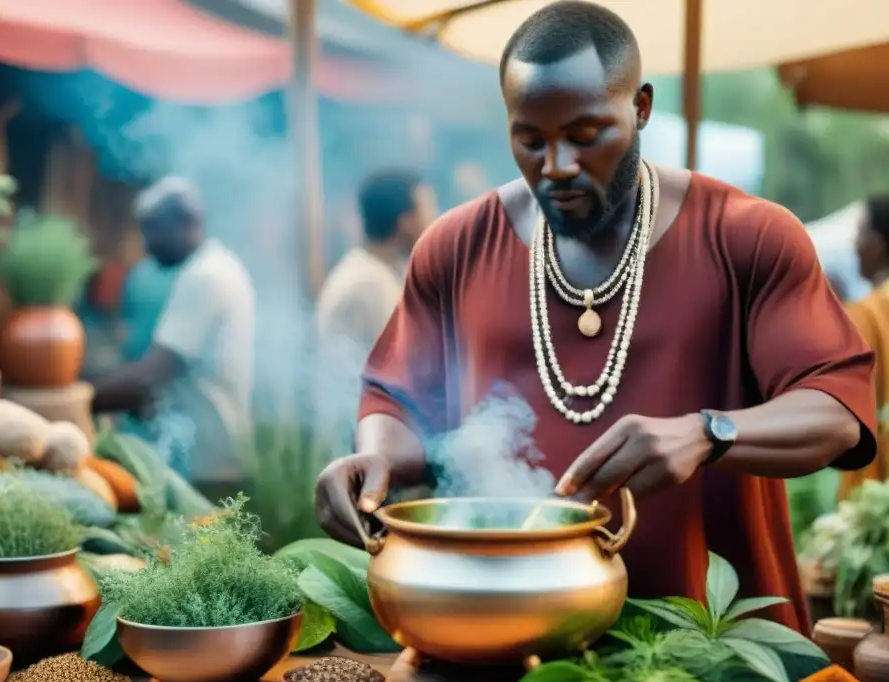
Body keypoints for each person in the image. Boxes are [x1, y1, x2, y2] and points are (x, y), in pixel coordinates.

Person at [313, 1, 875, 634]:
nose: (555, 167)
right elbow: (397, 401)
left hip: (711, 652)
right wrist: (377, 459)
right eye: (530, 139)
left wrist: (708, 433)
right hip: (500, 633)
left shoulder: (747, 236)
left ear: (639, 108)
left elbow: (837, 413)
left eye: (585, 136)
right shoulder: (455, 246)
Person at [92, 177, 256, 500]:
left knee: (205, 545)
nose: (146, 242)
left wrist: (81, 398)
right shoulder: (212, 266)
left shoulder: (206, 276)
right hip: (203, 455)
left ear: (187, 222)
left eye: (153, 229)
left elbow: (152, 373)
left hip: (209, 463)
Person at [315, 169, 437, 452]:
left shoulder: (378, 273)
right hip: (362, 449)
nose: (436, 219)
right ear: (405, 222)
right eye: (429, 209)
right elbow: (405, 376)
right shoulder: (369, 284)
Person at [838, 194, 889, 498]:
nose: (854, 245)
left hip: (873, 483)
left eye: (860, 233)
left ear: (879, 242)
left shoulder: (866, 314)